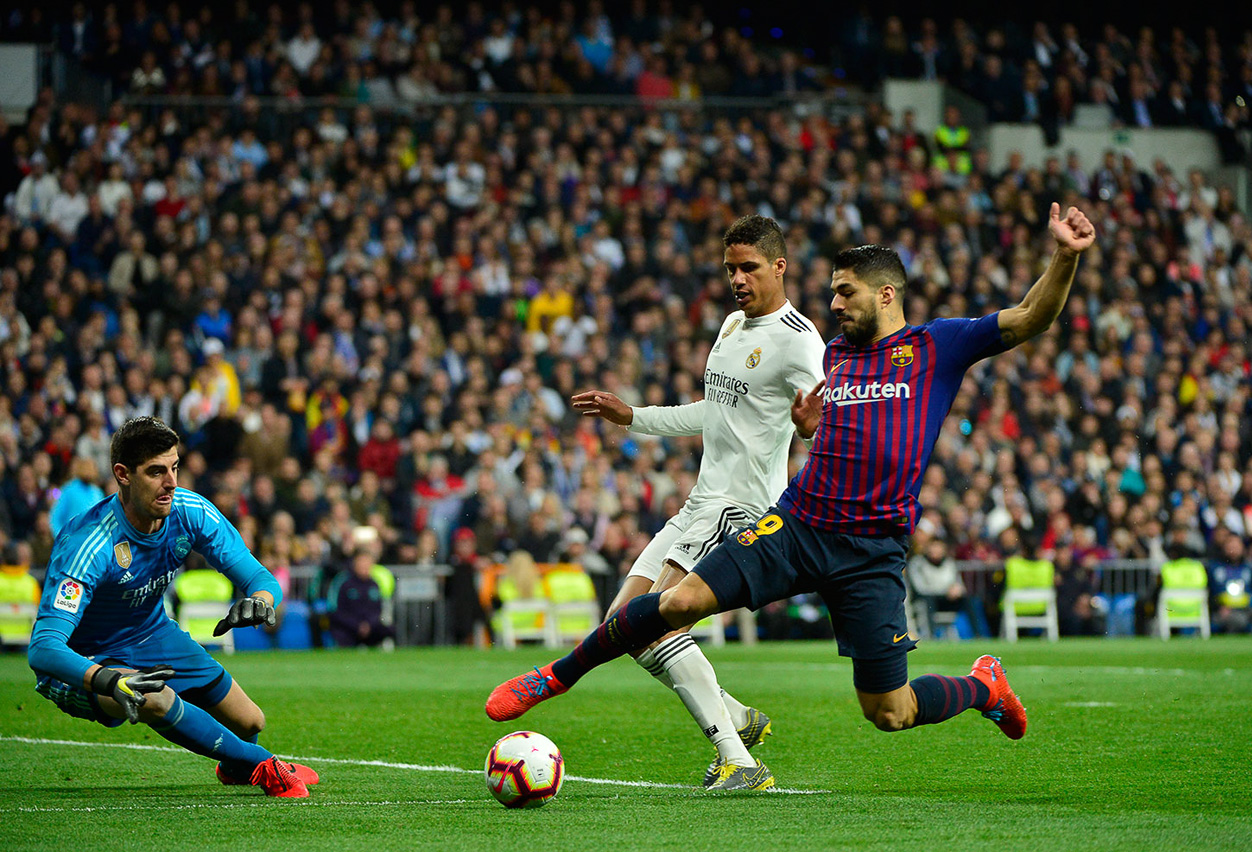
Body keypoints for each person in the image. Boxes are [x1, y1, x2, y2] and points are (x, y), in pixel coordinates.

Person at [487, 203, 1097, 790]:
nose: (833, 304)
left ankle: (984, 687)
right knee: (679, 602)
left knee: (890, 712)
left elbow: (1029, 317)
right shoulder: (836, 355)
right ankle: (557, 675)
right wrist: (806, 427)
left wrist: (1065, 257)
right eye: (832, 292)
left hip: (871, 550)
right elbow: (792, 422)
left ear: (886, 294)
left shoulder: (936, 347)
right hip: (798, 524)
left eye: (845, 293)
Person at [564, 214, 826, 788]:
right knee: (622, 624)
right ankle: (736, 718)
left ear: (779, 266)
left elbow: (822, 415)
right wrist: (633, 417)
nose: (737, 279)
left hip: (742, 507)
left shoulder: (799, 339)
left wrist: (810, 428)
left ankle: (739, 761)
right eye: (730, 268)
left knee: (655, 620)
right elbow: (714, 411)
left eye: (749, 268)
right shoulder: (731, 325)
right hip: (701, 502)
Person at [27, 417, 316, 797]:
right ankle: (263, 764)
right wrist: (108, 680)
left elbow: (261, 577)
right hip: (86, 659)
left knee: (250, 722)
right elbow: (44, 648)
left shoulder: (189, 510)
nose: (171, 483)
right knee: (154, 697)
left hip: (152, 635)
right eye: (156, 472)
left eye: (175, 467)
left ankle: (236, 765)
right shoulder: (89, 544)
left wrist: (261, 601)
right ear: (123, 475)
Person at [327, 546, 395, 647]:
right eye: (362, 562)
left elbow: (378, 610)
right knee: (340, 633)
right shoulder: (343, 582)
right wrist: (356, 625)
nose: (365, 565)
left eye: (367, 562)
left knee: (389, 629)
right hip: (349, 627)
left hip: (370, 627)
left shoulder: (374, 584)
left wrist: (369, 625)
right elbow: (335, 610)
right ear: (355, 563)